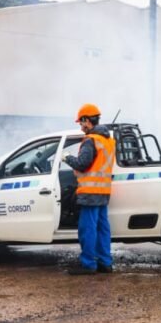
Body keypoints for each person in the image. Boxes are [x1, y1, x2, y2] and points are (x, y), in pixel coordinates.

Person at [62, 103, 116, 275]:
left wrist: (67, 157)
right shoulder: (108, 140)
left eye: (81, 122)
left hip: (90, 191)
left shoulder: (90, 140)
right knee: (102, 228)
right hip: (103, 191)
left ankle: (88, 265)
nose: (81, 126)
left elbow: (83, 164)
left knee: (88, 228)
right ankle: (105, 263)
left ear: (87, 120)